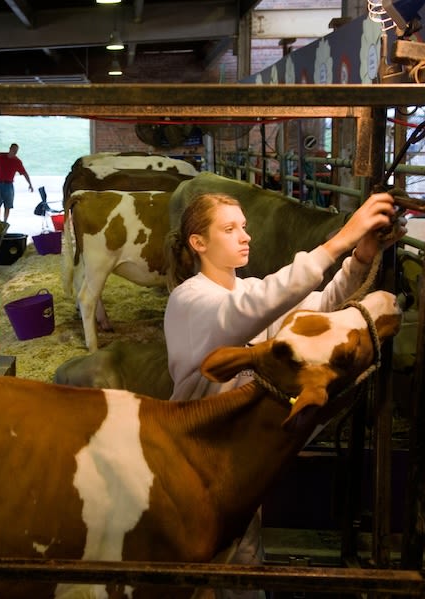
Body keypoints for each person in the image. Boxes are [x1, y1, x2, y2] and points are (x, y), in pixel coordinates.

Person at [163, 190, 405, 598]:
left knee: (243, 561)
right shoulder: (189, 300)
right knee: (195, 569)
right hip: (195, 460)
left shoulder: (249, 291)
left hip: (241, 461)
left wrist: (360, 256)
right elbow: (254, 307)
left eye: (244, 226)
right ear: (198, 243)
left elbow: (319, 307)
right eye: (229, 228)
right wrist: (342, 237)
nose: (245, 236)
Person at [0, 142, 33, 222]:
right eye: (13, 150)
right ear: (10, 149)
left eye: (16, 151)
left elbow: (25, 173)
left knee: (8, 205)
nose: (14, 152)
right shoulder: (1, 156)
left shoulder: (17, 161)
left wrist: (30, 184)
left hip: (8, 185)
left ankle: (5, 221)